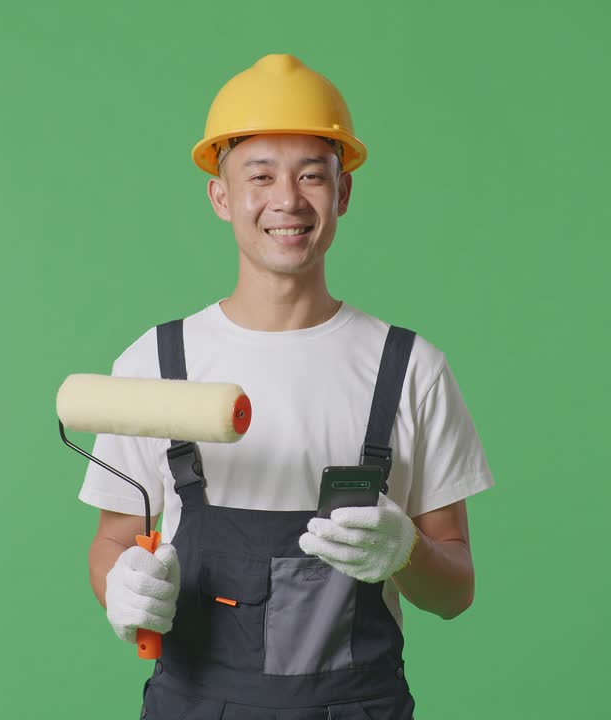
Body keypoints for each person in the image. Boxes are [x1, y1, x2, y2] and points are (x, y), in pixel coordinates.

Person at [78, 53, 494, 719]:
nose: (288, 201)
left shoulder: (409, 368)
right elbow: (112, 541)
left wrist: (406, 551)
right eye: (260, 176)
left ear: (345, 192)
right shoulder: (156, 364)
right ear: (221, 196)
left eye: (312, 176)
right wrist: (120, 590)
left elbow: (456, 590)